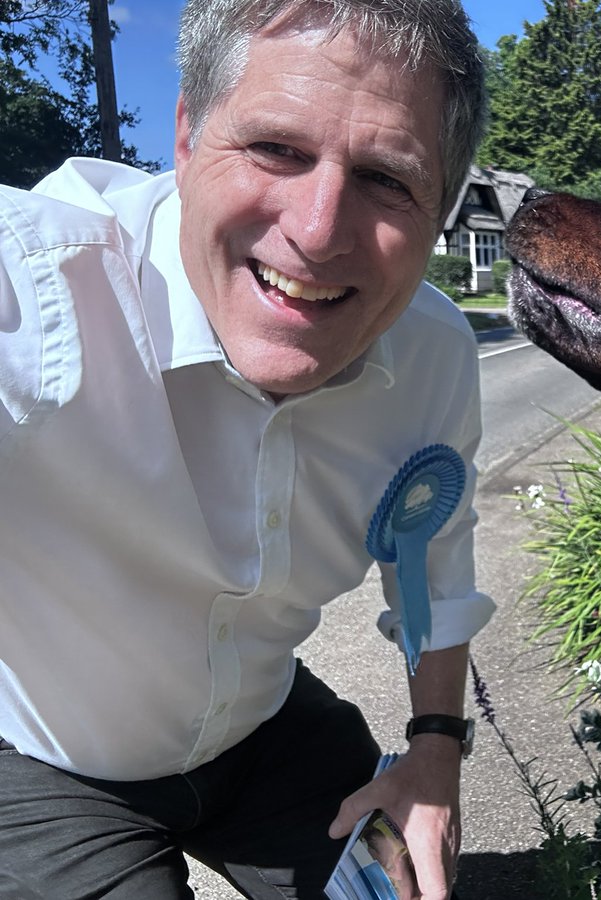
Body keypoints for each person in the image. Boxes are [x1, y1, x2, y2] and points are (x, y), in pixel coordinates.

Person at [0, 1, 493, 898]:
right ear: (186, 137)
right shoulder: (36, 296)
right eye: (277, 148)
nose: (316, 229)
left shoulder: (434, 353)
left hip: (262, 729)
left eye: (387, 178)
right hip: (48, 761)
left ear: (443, 211)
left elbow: (435, 574)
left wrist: (435, 754)